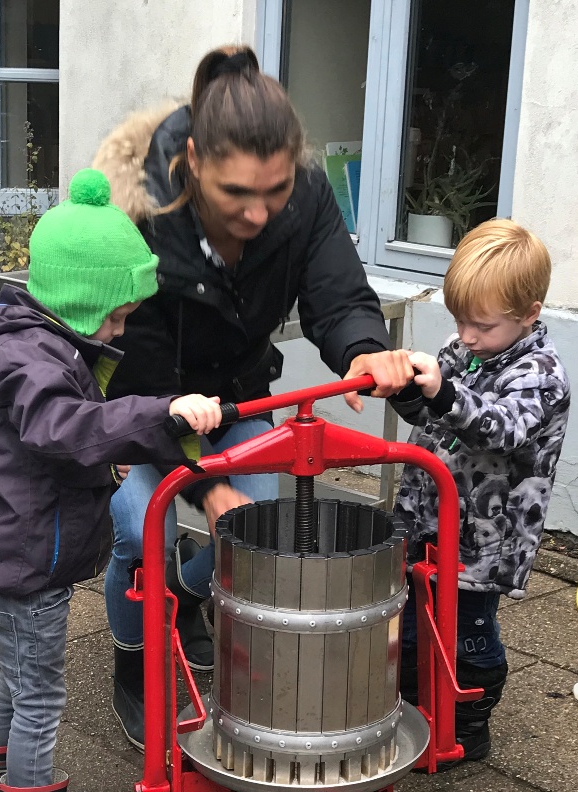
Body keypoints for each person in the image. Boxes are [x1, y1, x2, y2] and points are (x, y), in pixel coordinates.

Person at [92, 45, 415, 749]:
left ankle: (187, 599)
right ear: (193, 163)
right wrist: (205, 485)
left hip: (239, 397)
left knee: (256, 530)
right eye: (237, 193)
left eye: (275, 190)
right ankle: (135, 663)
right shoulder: (137, 217)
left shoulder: (305, 196)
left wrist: (363, 349)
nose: (260, 212)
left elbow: (338, 295)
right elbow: (140, 378)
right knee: (138, 532)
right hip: (145, 407)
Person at [0, 169, 222, 792]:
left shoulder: (25, 343)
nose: (119, 331)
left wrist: (106, 463)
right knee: (40, 696)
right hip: (27, 565)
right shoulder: (32, 360)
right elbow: (66, 427)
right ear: (80, 300)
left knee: (16, 681)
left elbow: (46, 446)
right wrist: (161, 414)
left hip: (9, 553)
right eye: (115, 317)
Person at [391, 218, 571, 764]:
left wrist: (444, 394)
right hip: (427, 515)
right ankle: (416, 705)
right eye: (459, 320)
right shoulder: (464, 349)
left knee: (468, 628)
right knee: (412, 614)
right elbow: (430, 412)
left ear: (529, 314)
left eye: (482, 325)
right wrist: (407, 391)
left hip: (484, 537)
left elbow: (502, 428)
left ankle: (470, 721)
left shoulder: (541, 373)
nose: (467, 335)